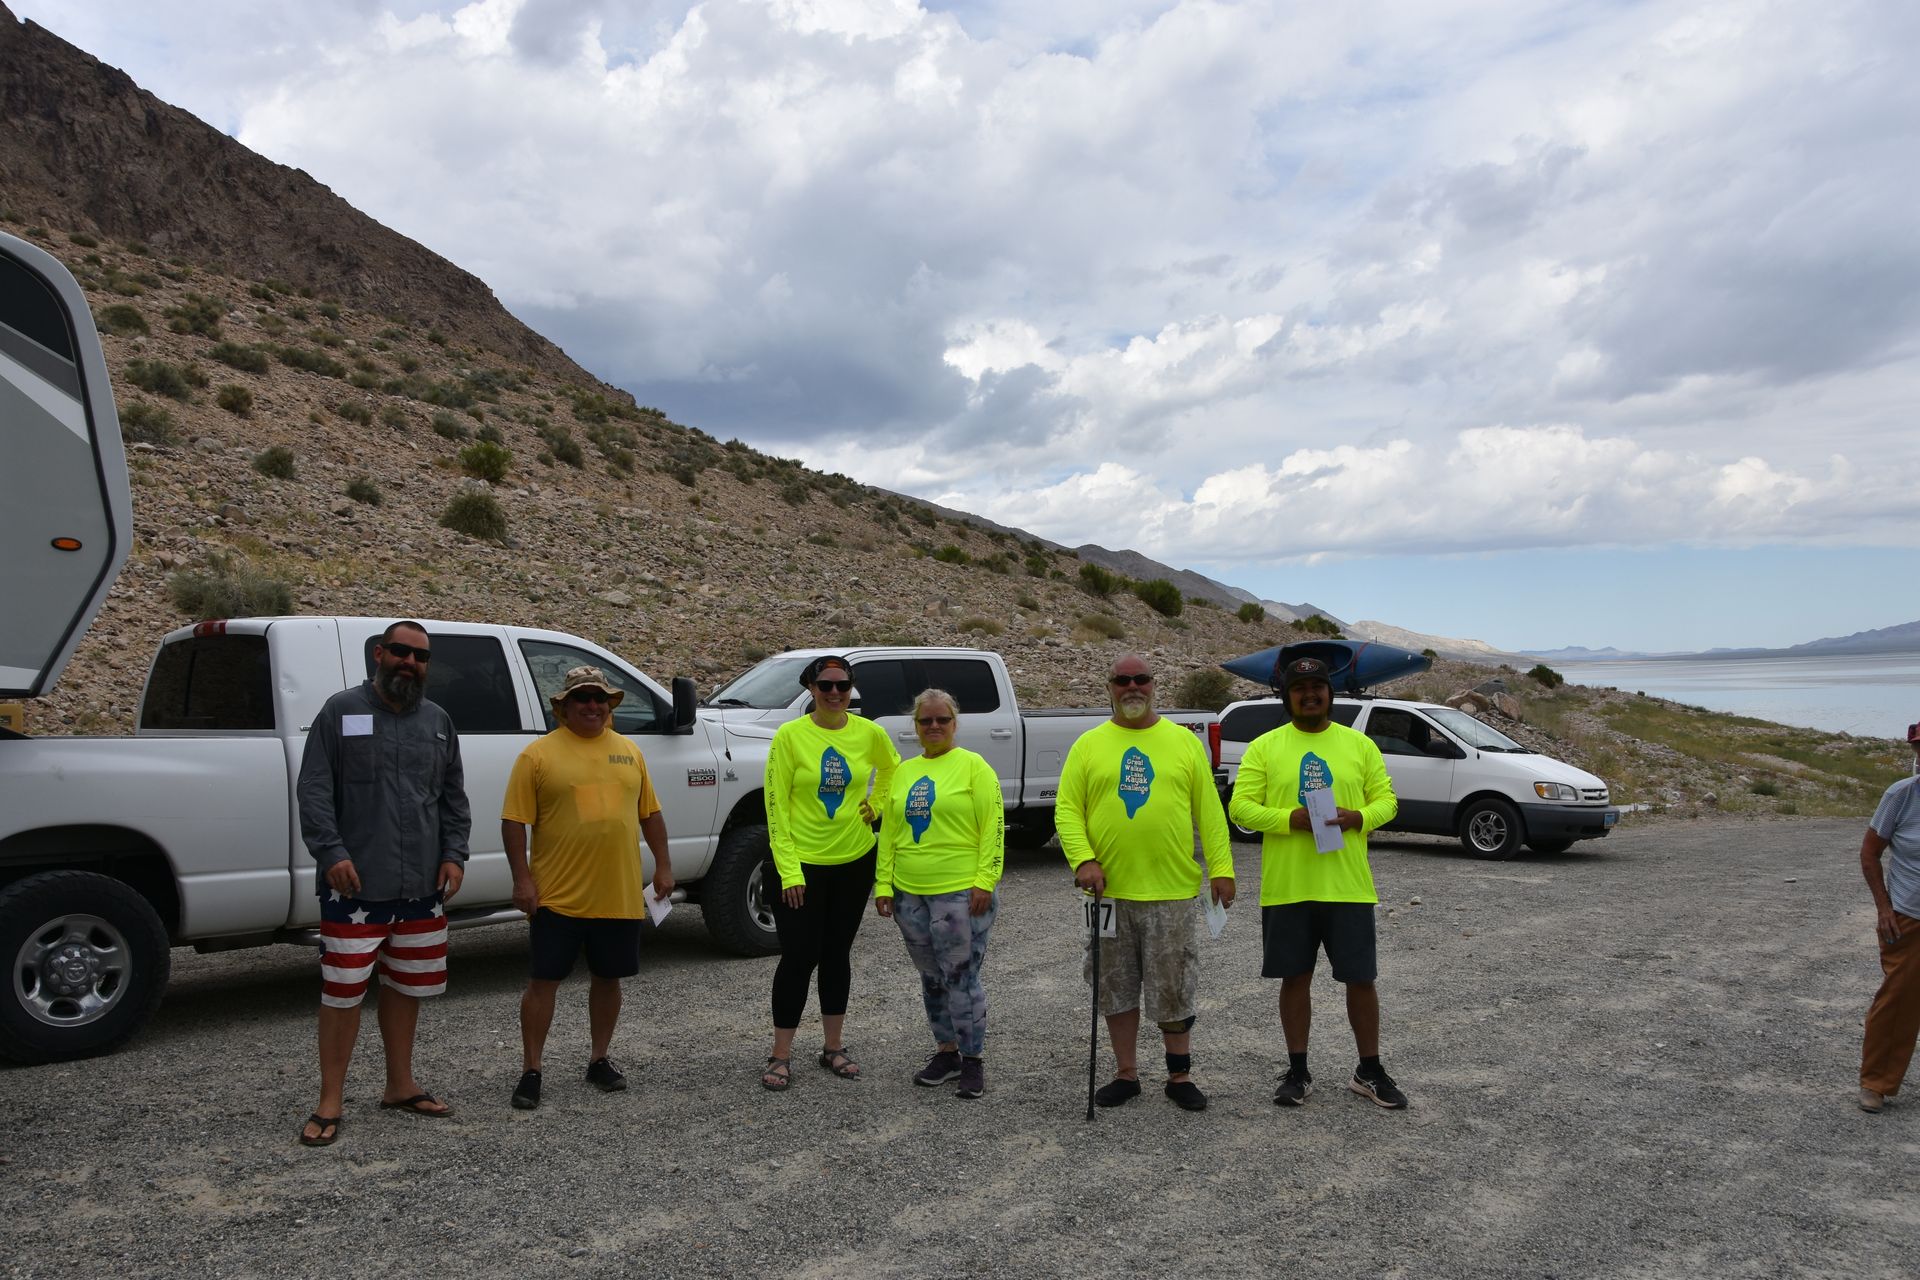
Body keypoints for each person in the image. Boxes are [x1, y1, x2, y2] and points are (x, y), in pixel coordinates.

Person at [294, 620, 471, 1147]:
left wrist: (454, 855)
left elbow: (453, 799)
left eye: (420, 656)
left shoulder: (438, 722)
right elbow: (315, 790)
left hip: (420, 887)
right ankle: (330, 1100)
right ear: (378, 654)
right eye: (400, 652)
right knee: (343, 993)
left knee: (405, 987)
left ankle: (400, 1084)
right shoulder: (339, 711)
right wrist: (331, 852)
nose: (409, 663)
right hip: (355, 889)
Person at [1057, 653, 1234, 1112]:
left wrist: (1222, 868)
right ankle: (1126, 1074)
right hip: (1108, 893)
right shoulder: (1089, 745)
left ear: (1155, 684)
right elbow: (1067, 810)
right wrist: (1083, 860)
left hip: (1171, 891)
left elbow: (1209, 811)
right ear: (1109, 686)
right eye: (1122, 680)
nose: (1132, 686)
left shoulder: (1182, 742)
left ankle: (1179, 1076)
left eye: (1141, 679)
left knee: (1174, 986)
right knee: (1114, 985)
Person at [1230, 656, 1404, 1109]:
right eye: (1299, 688)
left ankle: (1369, 1070)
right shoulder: (1265, 747)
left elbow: (1388, 801)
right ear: (1286, 697)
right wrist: (1289, 818)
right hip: (1288, 888)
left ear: (1330, 693)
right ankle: (1298, 1070)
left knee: (1361, 980)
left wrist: (1358, 817)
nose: (1310, 694)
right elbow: (1241, 808)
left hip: (1348, 886)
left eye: (1318, 687)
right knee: (1295, 978)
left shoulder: (1359, 746)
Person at [501, 666, 672, 1110]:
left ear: (609, 704)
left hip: (616, 892)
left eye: (600, 698)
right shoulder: (537, 756)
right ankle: (532, 1069)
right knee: (544, 981)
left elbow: (649, 814)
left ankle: (599, 1059)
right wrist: (522, 880)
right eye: (582, 699)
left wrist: (664, 868)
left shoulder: (630, 751)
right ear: (564, 707)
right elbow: (514, 821)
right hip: (556, 895)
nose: (592, 706)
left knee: (608, 978)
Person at [760, 655, 900, 1091]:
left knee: (837, 954)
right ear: (811, 688)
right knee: (799, 957)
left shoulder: (869, 732)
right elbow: (775, 805)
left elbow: (894, 769)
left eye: (843, 686)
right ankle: (780, 1054)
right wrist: (789, 872)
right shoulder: (790, 736)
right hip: (802, 865)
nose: (835, 693)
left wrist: (875, 806)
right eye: (826, 685)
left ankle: (833, 1047)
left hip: (853, 862)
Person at [875, 688, 1004, 1099]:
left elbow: (993, 826)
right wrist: (883, 884)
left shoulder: (973, 767)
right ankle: (945, 1052)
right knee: (931, 978)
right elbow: (890, 832)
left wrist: (986, 879)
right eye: (925, 720)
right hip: (909, 893)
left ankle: (973, 1060)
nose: (933, 726)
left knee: (961, 977)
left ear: (955, 723)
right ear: (915, 725)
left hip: (960, 892)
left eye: (941, 720)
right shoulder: (903, 771)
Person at [1857, 717, 1920, 1113]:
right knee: (1897, 1001)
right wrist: (1884, 907)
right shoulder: (1901, 796)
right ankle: (1875, 1083)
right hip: (1908, 917)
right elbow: (1869, 853)